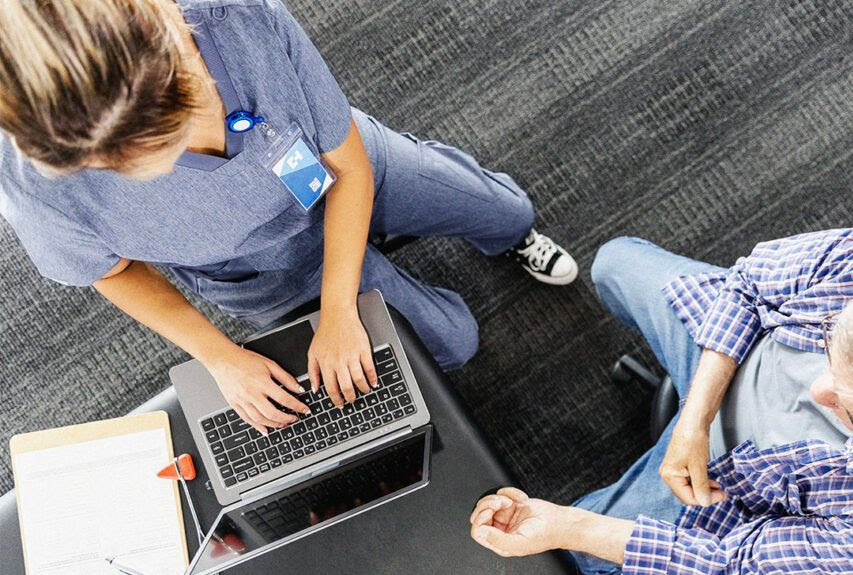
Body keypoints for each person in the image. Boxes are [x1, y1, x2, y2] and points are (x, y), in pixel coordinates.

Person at [0, 0, 577, 434]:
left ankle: (512, 236)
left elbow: (349, 171)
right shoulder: (33, 184)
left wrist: (341, 307)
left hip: (349, 169)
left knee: (503, 209)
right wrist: (222, 358)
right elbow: (111, 271)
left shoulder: (239, 16)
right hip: (264, 268)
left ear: (173, 27)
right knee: (454, 344)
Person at [471, 227, 853, 574]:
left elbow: (736, 563)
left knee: (563, 558)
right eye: (834, 347)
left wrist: (567, 527)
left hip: (730, 491)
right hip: (726, 352)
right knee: (614, 262)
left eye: (851, 413)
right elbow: (751, 286)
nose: (817, 390)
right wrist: (695, 416)